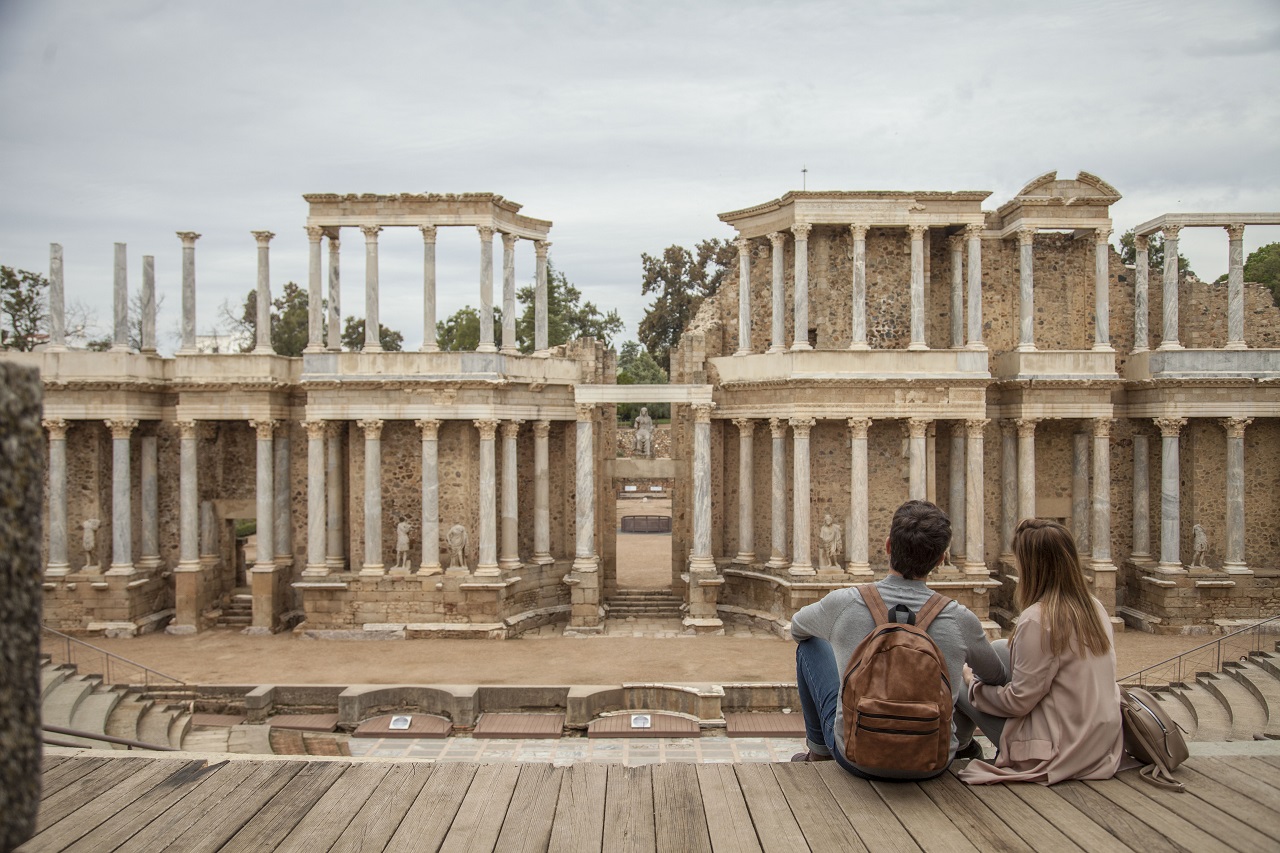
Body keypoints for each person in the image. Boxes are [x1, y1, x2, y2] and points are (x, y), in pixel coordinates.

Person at [790, 500, 1007, 779]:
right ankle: (963, 744)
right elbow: (995, 675)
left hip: (856, 756)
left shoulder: (844, 603)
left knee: (809, 644)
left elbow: (797, 628)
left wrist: (844, 642)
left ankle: (819, 751)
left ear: (888, 545)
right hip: (933, 761)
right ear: (941, 559)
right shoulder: (961, 619)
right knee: (965, 674)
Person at [957, 518, 1125, 785]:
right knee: (1001, 648)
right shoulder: (1095, 607)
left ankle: (961, 747)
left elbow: (1018, 702)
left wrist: (972, 684)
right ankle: (964, 743)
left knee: (957, 678)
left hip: (1061, 748)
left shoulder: (1038, 619)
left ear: (1032, 566)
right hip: (1100, 739)